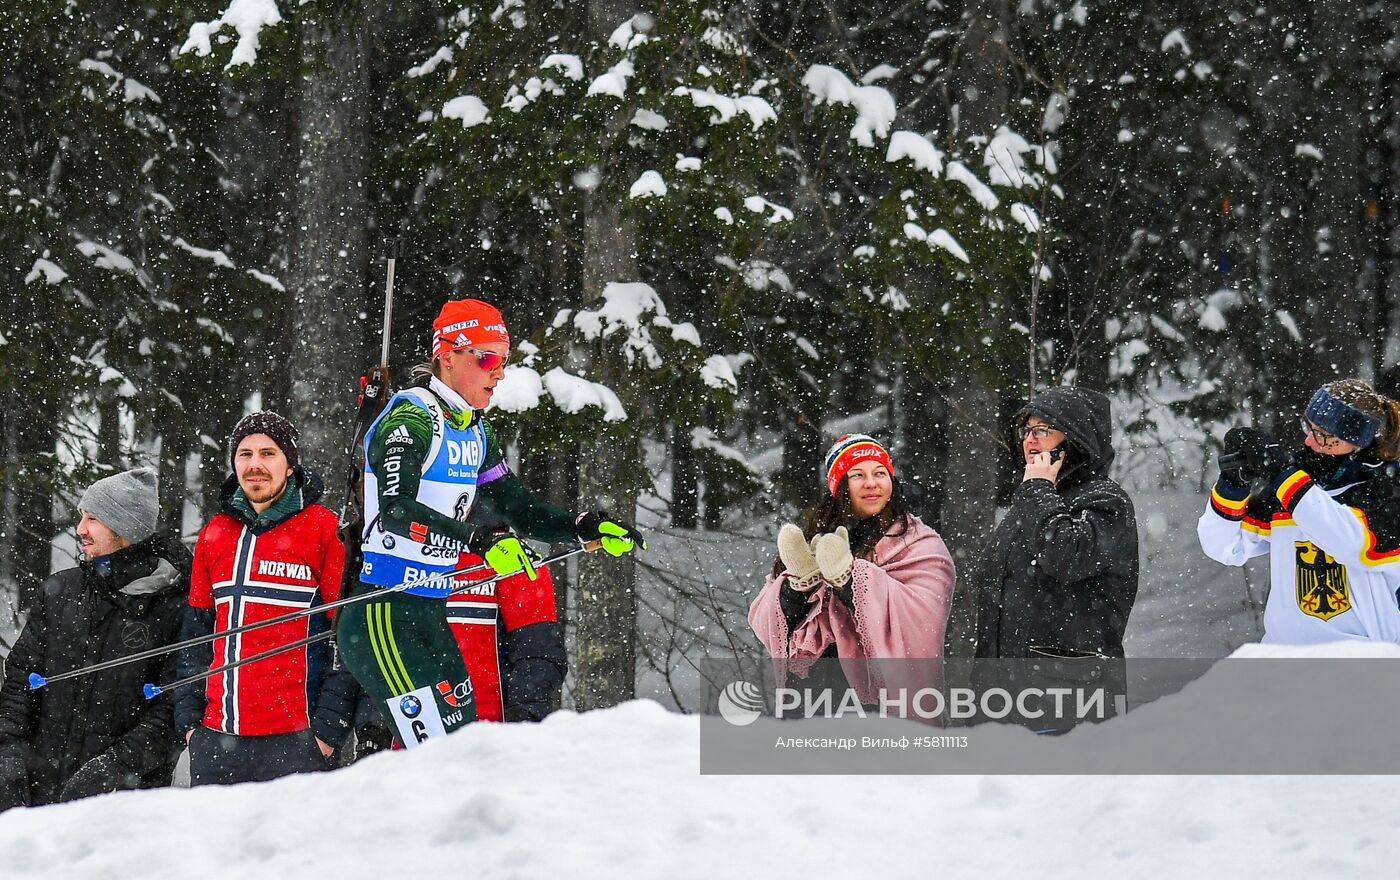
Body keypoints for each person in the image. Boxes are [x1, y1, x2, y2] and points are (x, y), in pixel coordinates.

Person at [336, 297, 643, 746]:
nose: (499, 371)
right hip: (384, 612)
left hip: (429, 610)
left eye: (504, 358)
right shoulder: (412, 419)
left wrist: (582, 526)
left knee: (461, 745)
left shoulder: (475, 430)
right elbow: (397, 511)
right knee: (438, 756)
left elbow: (518, 507)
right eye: (487, 357)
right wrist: (477, 541)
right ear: (447, 355)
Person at [176, 412, 358, 785]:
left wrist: (325, 732)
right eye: (245, 454)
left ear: (290, 465)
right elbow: (196, 638)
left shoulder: (326, 531)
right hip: (215, 739)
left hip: (297, 741)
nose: (254, 465)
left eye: (268, 453)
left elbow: (349, 640)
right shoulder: (215, 533)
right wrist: (190, 725)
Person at [0, 468, 189, 810]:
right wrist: (9, 756)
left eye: (93, 519)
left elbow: (172, 709)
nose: (80, 529)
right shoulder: (60, 592)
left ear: (125, 528)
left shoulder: (173, 606)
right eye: (81, 517)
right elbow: (19, 681)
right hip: (34, 797)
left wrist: (114, 768)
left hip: (119, 810)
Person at [748, 434, 955, 704]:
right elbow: (767, 624)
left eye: (880, 472)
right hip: (814, 699)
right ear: (840, 486)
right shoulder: (814, 538)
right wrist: (796, 587)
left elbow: (924, 621)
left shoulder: (920, 544)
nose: (871, 483)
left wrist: (851, 579)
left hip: (880, 705)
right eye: (857, 474)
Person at [1198, 379, 1400, 644]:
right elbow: (1223, 546)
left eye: (1323, 435)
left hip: (1363, 662)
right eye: (1309, 427)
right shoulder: (1296, 488)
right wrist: (1232, 485)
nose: (1309, 441)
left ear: (1356, 443)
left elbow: (1349, 542)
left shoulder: (1387, 493)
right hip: (1284, 660)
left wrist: (1282, 474)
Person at [971, 387, 1139, 660]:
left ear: (1074, 439)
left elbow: (1065, 558)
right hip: (1006, 689)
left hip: (1072, 690)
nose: (1029, 440)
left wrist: (1037, 488)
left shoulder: (1107, 502)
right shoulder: (1031, 501)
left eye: (1043, 430)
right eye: (1026, 430)